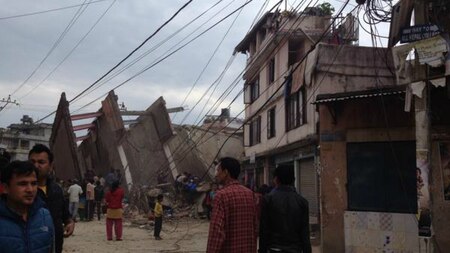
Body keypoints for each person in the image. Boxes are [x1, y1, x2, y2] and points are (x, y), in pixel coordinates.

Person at [0, 160, 55, 252]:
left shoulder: (45, 216)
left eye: (33, 184)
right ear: (5, 188)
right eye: (23, 184)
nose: (30, 190)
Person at [29, 144, 74, 253]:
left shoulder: (56, 189)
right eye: (32, 162)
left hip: (55, 245)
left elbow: (65, 214)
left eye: (41, 162)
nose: (36, 165)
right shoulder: (24, 192)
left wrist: (69, 222)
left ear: (51, 165)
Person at [206, 157, 258, 253]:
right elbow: (255, 226)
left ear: (226, 172)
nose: (216, 174)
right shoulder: (250, 194)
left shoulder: (221, 195)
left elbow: (216, 232)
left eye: (218, 170)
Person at [259, 165, 312, 253]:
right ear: (293, 180)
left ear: (276, 179)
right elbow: (305, 233)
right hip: (295, 249)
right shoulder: (302, 202)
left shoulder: (268, 199)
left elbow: (264, 230)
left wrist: (262, 250)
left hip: (273, 249)